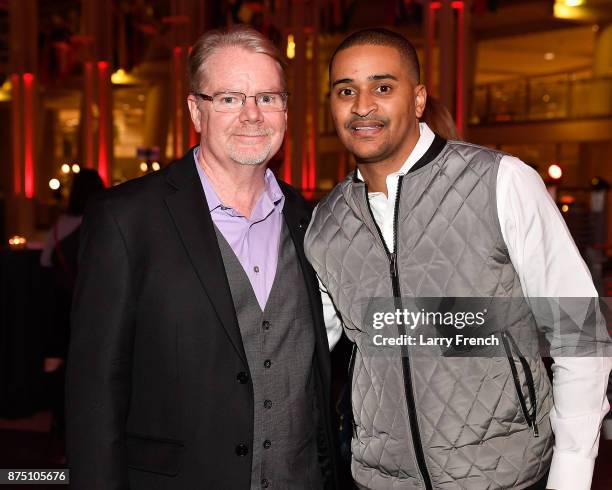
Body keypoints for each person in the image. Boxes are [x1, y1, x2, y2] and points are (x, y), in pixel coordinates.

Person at [305, 28, 611, 490]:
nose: (362, 105)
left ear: (419, 99)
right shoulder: (326, 224)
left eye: (382, 87)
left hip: (507, 477)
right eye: (346, 90)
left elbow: (579, 329)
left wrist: (570, 474)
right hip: (381, 481)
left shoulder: (501, 182)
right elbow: (305, 349)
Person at [67, 25, 340, 490]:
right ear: (196, 109)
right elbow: (95, 395)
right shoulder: (126, 219)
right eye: (230, 98)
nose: (253, 115)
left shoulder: (313, 222)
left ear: (286, 110)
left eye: (269, 98)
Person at [40, 168, 104, 434]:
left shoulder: (61, 224)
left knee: (60, 368)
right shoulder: (103, 220)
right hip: (97, 307)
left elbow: (45, 261)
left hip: (63, 306)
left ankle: (60, 425)